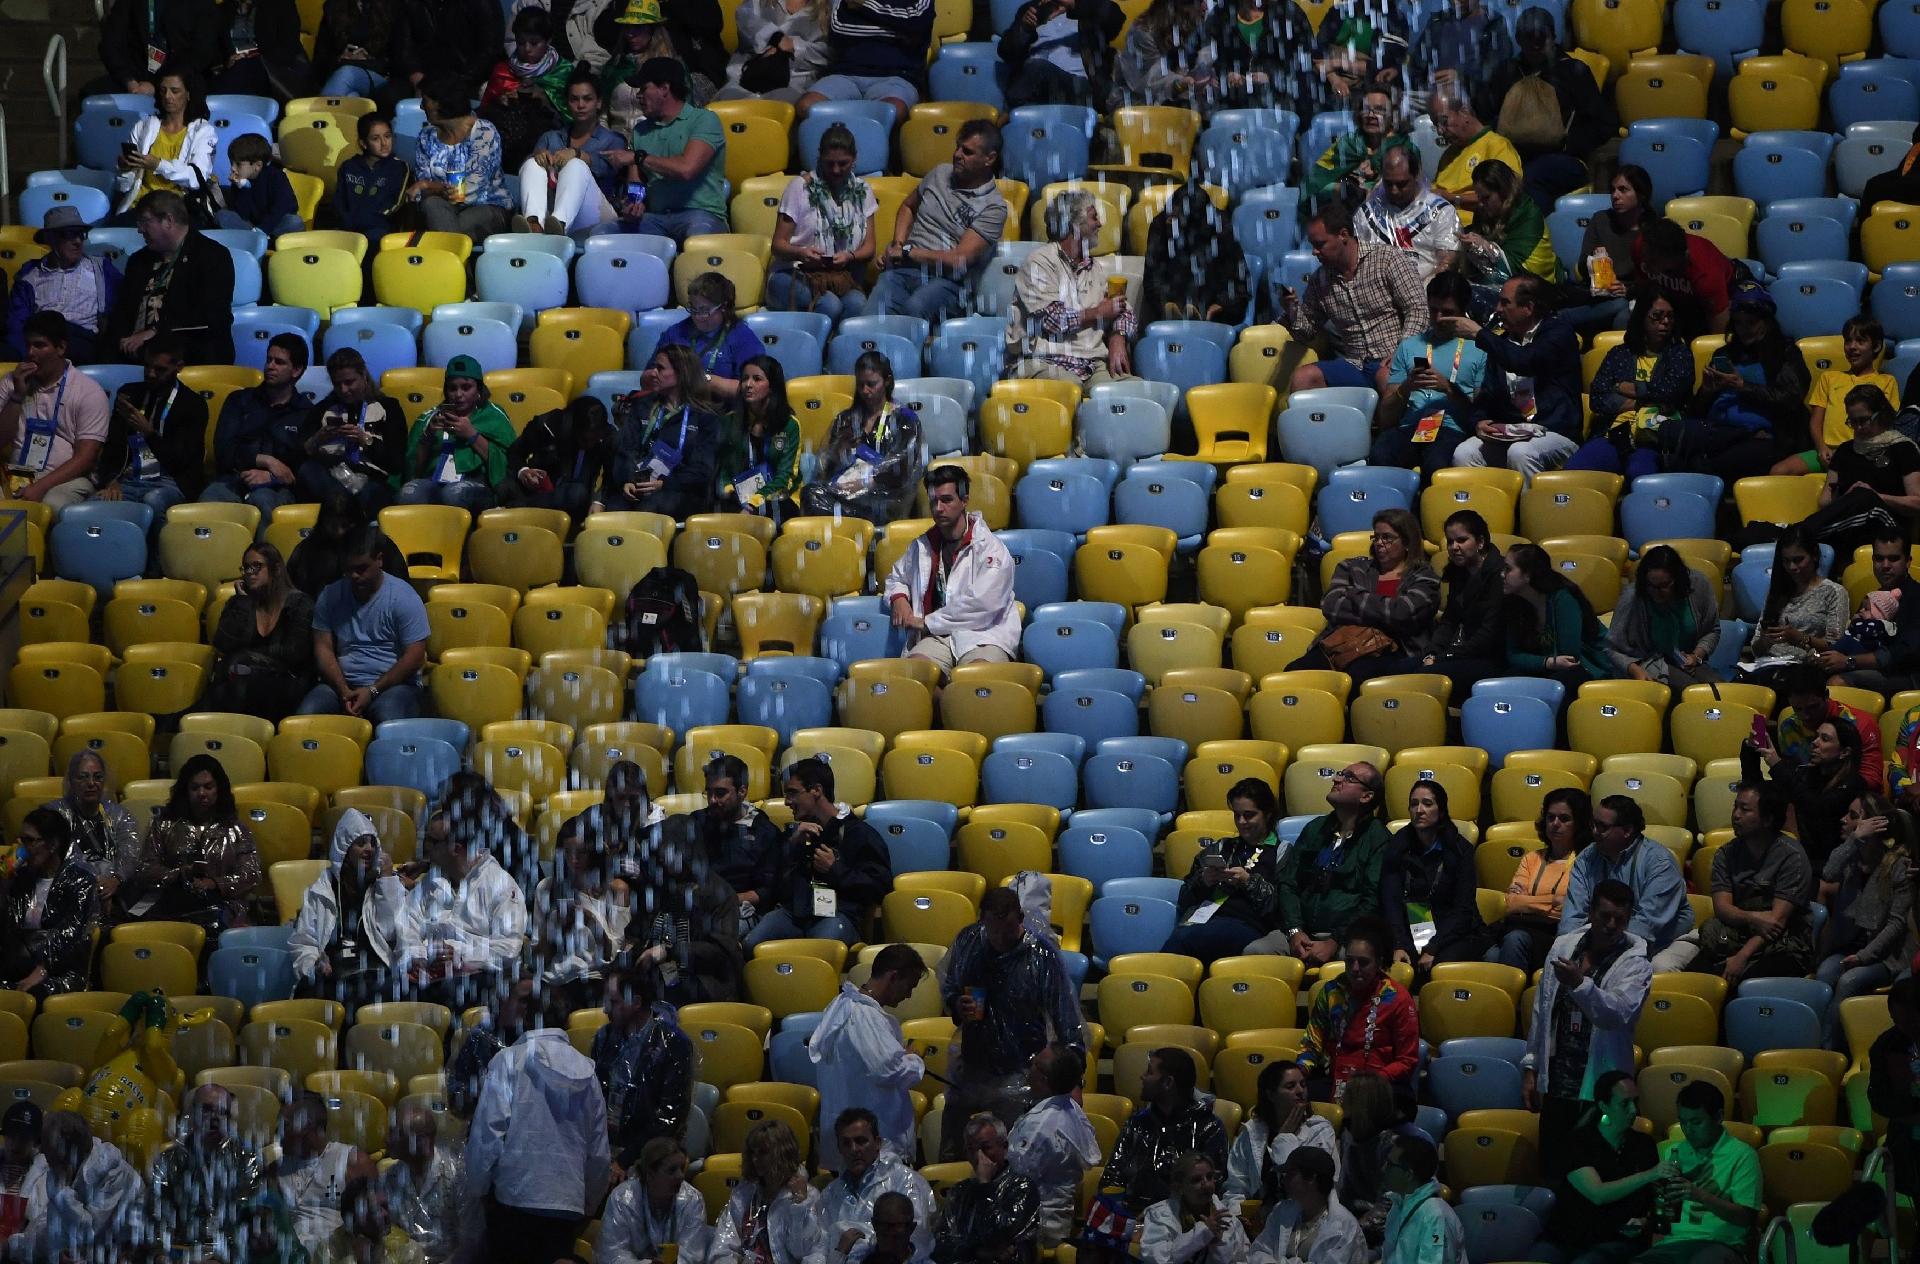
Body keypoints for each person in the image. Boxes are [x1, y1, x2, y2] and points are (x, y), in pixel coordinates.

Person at [465, 986, 611, 1264]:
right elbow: (599, 1153)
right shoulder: (588, 1073)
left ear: (528, 1018)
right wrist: (586, 1203)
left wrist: (478, 1189)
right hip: (566, 1204)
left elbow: (488, 1135)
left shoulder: (509, 1061)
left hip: (515, 1201)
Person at [938, 887, 1086, 1161]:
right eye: (993, 932)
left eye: (1007, 931)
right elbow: (950, 986)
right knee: (955, 1150)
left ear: (1020, 918)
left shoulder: (1040, 955)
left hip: (1021, 1072)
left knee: (1013, 1157)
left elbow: (1065, 1016)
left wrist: (1072, 1077)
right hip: (972, 1065)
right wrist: (957, 1003)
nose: (1000, 940)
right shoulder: (969, 941)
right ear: (982, 920)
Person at [1523, 879, 1651, 1181]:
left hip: (1599, 1091)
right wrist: (1530, 1066)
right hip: (1556, 1085)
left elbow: (1616, 1014)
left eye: (1620, 919)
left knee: (1596, 1178)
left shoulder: (1636, 964)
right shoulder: (1564, 945)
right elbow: (1543, 1011)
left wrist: (1579, 984)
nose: (1611, 924)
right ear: (1590, 911)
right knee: (1553, 1174)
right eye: (1605, 915)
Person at [882, 465, 1019, 680]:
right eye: (933, 501)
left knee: (975, 680)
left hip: (984, 635)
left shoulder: (992, 550)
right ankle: (948, 704)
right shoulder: (922, 545)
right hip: (938, 637)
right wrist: (899, 598)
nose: (938, 508)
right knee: (911, 677)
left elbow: (983, 605)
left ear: (964, 501)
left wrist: (926, 622)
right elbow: (896, 577)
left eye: (946, 500)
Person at [1282, 200, 1426, 397]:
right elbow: (1306, 333)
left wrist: (1402, 353)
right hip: (1355, 364)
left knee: (1386, 377)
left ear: (1343, 235)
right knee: (1304, 378)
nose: (1314, 252)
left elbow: (1417, 309)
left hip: (1395, 356)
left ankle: (1393, 428)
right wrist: (1291, 310)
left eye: (1320, 244)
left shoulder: (1387, 259)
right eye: (1312, 245)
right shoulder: (1320, 281)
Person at [1475, 6, 1616, 208]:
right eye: (1528, 38)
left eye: (1541, 37)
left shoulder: (1572, 72)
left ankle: (1537, 235)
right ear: (1518, 39)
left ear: (1553, 36)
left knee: (1528, 178)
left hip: (1562, 157)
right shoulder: (1507, 72)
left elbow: (1604, 124)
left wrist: (1568, 143)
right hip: (1513, 154)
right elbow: (1485, 112)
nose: (1535, 44)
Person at [868, 121, 1007, 323]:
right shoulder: (939, 173)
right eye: (958, 147)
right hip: (904, 269)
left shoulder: (993, 207)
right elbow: (908, 207)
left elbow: (959, 260)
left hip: (948, 282)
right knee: (871, 316)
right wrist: (897, 245)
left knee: (914, 309)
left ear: (990, 158)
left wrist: (909, 252)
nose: (958, 154)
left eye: (967, 151)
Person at [1447, 274, 1583, 480]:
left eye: (1505, 303)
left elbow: (1525, 362)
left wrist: (1479, 333)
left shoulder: (1558, 334)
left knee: (1521, 452)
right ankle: (1484, 510)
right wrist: (1480, 421)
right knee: (1464, 453)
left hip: (1554, 431)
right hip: (1512, 433)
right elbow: (1487, 394)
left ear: (1528, 307)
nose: (1498, 309)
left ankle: (1530, 510)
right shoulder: (1502, 344)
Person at [745, 758, 890, 948]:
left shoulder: (859, 833)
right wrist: (791, 846)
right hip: (793, 914)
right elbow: (770, 880)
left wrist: (835, 869)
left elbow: (880, 886)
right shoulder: (796, 835)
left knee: (820, 948)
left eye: (792, 793)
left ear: (817, 790)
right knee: (751, 945)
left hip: (837, 914)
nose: (787, 802)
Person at [1255, 762, 1391, 962]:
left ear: (1366, 796)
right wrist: (1295, 930)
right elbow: (1288, 883)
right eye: (1339, 774)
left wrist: (1335, 941)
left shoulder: (1378, 838)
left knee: (1358, 962)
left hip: (1350, 938)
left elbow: (1371, 901)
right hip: (1301, 932)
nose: (1336, 779)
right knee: (1255, 952)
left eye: (1348, 777)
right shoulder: (1315, 829)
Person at [1288, 509, 1440, 683]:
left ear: (1407, 542)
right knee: (1293, 672)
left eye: (1387, 538)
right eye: (1376, 537)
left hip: (1395, 649)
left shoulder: (1423, 577)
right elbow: (1331, 606)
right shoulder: (1352, 568)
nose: (1379, 543)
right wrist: (1385, 612)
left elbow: (1402, 612)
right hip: (1343, 644)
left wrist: (1355, 596)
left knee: (1359, 677)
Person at [812, 945, 929, 1171]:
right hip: (872, 1152)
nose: (909, 995)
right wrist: (915, 1058)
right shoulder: (864, 1016)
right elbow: (889, 1071)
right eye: (909, 986)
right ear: (893, 977)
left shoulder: (840, 1006)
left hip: (856, 1141)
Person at [1674, 289, 1810, 484]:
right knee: (1676, 448)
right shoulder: (1725, 354)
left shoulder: (1785, 353)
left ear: (1767, 322)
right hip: (1719, 431)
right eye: (1738, 323)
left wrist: (1742, 385)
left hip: (1765, 437)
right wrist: (1707, 392)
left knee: (1705, 466)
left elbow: (1791, 397)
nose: (1743, 329)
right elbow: (1698, 410)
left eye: (1751, 322)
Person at [298, 525, 430, 723]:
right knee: (305, 717)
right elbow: (323, 647)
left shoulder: (404, 597)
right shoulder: (330, 595)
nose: (354, 576)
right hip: (342, 685)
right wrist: (343, 690)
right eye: (349, 570)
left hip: (393, 686)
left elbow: (415, 655)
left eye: (361, 569)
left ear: (379, 559)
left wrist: (373, 690)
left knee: (388, 718)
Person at [400, 800, 529, 1002]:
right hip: (430, 972)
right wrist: (417, 955)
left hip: (478, 979)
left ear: (455, 848)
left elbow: (508, 948)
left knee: (451, 993)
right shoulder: (431, 881)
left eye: (432, 842)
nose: (424, 847)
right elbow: (407, 924)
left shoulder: (501, 885)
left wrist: (461, 955)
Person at [1008, 191, 1135, 388]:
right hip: (1044, 360)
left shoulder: (1095, 269)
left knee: (1135, 392)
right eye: (1094, 217)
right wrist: (1099, 312)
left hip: (1091, 365)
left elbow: (1123, 310)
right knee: (1070, 387)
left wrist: (1118, 337)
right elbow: (1052, 320)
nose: (1100, 224)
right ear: (1074, 224)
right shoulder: (1039, 263)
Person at [1566, 294, 1698, 483]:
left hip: (1655, 437)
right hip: (1614, 433)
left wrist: (1623, 388)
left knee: (1641, 475)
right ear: (1642, 318)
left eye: (1670, 316)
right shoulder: (1619, 354)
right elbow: (1598, 398)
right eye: (1657, 316)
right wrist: (1647, 400)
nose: (1665, 321)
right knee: (1573, 473)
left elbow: (1673, 392)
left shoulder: (1679, 354)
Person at [287, 808, 413, 1005]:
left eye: (372, 843)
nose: (369, 849)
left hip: (374, 972)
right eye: (361, 843)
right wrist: (313, 964)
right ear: (344, 849)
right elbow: (303, 942)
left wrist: (388, 881)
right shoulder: (322, 889)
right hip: (333, 975)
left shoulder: (383, 884)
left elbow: (391, 932)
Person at [1370, 273, 1491, 477]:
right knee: (1380, 453)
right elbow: (1386, 419)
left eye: (1447, 312)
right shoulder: (1410, 346)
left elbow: (1481, 414)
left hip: (1453, 429)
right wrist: (1406, 387)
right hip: (1412, 427)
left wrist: (1448, 389)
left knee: (1436, 464)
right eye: (1433, 310)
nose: (1438, 319)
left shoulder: (1480, 349)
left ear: (1463, 311)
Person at [1816, 792, 1911, 1049]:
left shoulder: (1897, 866)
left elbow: (1896, 924)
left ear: (1875, 824)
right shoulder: (1852, 858)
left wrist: (1865, 956)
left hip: (1885, 955)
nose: (1843, 820)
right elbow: (1828, 872)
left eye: (1854, 817)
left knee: (1850, 980)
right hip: (1849, 947)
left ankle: (1830, 1049)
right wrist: (1855, 841)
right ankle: (1817, 1045)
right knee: (1825, 973)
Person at [122, 754, 261, 929]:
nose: (202, 793)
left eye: (208, 787)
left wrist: (215, 883)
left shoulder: (236, 829)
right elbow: (145, 868)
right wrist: (179, 874)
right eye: (195, 788)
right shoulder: (163, 824)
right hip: (170, 900)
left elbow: (250, 875)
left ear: (219, 789)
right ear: (185, 791)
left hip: (222, 905)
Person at [1295, 917, 1418, 1106]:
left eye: (1363, 962)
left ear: (1379, 962)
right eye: (1349, 961)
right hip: (1335, 1080)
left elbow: (1407, 1060)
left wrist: (1372, 1083)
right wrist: (1299, 1073)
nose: (1355, 969)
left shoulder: (1398, 999)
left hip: (1379, 1083)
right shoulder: (1331, 992)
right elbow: (1312, 1044)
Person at [104, 190, 236, 365]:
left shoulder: (212, 257)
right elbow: (123, 313)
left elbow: (211, 316)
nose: (139, 229)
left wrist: (155, 332)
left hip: (188, 351)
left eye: (145, 221)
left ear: (168, 221)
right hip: (133, 353)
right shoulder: (139, 261)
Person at [1634, 1082, 1759, 1264]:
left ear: (1718, 1117)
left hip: (1721, 1244)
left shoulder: (1743, 1155)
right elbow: (1663, 1211)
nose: (1688, 1130)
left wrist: (1699, 1195)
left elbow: (1746, 1218)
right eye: (1683, 1122)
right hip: (1673, 1244)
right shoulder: (1674, 1152)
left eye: (1696, 1122)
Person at [1551, 1072, 1669, 1264]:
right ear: (1603, 1106)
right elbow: (1597, 1194)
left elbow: (1652, 1199)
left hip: (1615, 1239)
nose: (1633, 1110)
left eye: (1635, 1101)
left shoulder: (1644, 1145)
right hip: (1568, 1237)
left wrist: (1645, 1222)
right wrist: (1649, 1174)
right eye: (1625, 1103)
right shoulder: (1578, 1141)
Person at [766, 124, 878, 324]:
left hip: (840, 274)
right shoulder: (800, 188)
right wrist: (802, 252)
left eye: (843, 163)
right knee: (830, 305)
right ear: (819, 157)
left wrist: (850, 256)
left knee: (858, 304)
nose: (836, 170)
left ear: (855, 159)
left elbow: (869, 248)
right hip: (797, 271)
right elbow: (778, 245)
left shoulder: (863, 191)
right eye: (829, 163)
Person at [0, 313, 111, 511]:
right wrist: (17, 396)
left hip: (66, 480)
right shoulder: (11, 382)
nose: (30, 352)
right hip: (17, 474)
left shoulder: (88, 391)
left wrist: (40, 487)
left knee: (53, 503)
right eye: (27, 345)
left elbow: (86, 457)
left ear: (61, 348)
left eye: (39, 345)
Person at [1164, 778, 1282, 963]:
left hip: (1247, 924)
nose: (1241, 822)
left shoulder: (1281, 852)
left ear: (1267, 814)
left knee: (1184, 941)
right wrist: (1203, 880)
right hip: (1202, 919)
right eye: (1237, 815)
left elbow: (1282, 906)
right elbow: (1185, 897)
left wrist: (1248, 881)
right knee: (1184, 936)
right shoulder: (1221, 847)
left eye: (1249, 815)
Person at [597, 345, 725, 517]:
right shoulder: (642, 406)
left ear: (681, 373)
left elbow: (702, 469)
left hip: (681, 493)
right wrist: (627, 480)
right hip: (639, 486)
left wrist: (664, 483)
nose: (653, 373)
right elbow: (626, 450)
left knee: (650, 507)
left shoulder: (705, 417)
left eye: (660, 368)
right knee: (614, 508)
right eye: (653, 368)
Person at [589, 960, 694, 1169]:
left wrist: (625, 1160)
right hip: (604, 1145)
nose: (605, 1010)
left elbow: (669, 1117)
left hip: (650, 1153)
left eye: (613, 1002)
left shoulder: (673, 1042)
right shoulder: (604, 1037)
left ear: (636, 1002)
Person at [1102, 1050, 1229, 1220]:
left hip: (1185, 1224)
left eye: (1149, 1072)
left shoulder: (1209, 1127)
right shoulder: (1137, 1123)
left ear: (1168, 1082)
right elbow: (1113, 1175)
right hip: (1133, 1218)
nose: (1142, 1077)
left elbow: (1209, 1188)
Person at [1560, 795, 1690, 958]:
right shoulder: (1587, 857)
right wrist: (1567, 951)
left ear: (1627, 830)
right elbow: (1573, 916)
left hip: (1662, 944)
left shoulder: (1660, 863)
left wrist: (1599, 957)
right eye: (1593, 824)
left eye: (1602, 827)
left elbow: (1645, 926)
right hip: (1604, 941)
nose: (1594, 832)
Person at [94, 332, 206, 521]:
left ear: (178, 367)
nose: (151, 374)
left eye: (160, 369)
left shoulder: (193, 404)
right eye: (147, 367)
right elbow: (112, 447)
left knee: (153, 501)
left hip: (169, 483)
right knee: (93, 507)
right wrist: (111, 481)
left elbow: (180, 462)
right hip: (130, 480)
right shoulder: (129, 394)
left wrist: (148, 433)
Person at [1381, 780, 1488, 977]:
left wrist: (1433, 947)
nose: (1419, 810)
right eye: (1414, 804)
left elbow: (1463, 909)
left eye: (1427, 804)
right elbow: (1391, 902)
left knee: (1439, 965)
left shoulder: (1459, 849)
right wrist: (1399, 944)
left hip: (1455, 933)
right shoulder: (1397, 847)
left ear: (1441, 811)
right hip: (1412, 928)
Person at [802, 349, 924, 521]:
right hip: (843, 492)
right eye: (860, 385)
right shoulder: (846, 419)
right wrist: (839, 451)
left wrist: (867, 483)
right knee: (810, 493)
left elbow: (902, 469)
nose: (865, 391)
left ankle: (854, 522)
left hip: (881, 497)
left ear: (887, 381)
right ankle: (851, 522)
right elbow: (827, 468)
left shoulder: (905, 420)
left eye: (871, 384)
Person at [615, 57, 729, 242]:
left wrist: (640, 157)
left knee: (698, 234)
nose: (639, 96)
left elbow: (686, 169)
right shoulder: (640, 131)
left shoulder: (704, 120)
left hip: (701, 214)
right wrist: (634, 203)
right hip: (657, 218)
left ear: (664, 89)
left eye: (644, 88)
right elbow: (636, 182)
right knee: (604, 233)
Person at [203, 333, 314, 522]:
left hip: (278, 490)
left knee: (262, 500)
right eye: (269, 359)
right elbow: (223, 450)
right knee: (208, 501)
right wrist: (265, 460)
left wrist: (272, 478)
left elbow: (299, 468)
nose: (270, 366)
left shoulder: (306, 413)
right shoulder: (239, 401)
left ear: (296, 370)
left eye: (279, 362)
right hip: (232, 480)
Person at [145, 1085, 265, 1257]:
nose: (215, 1117)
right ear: (191, 1115)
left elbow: (247, 1220)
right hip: (178, 1252)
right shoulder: (168, 1160)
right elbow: (155, 1216)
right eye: (207, 1110)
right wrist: (160, 1255)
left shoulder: (248, 1160)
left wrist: (221, 1258)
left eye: (222, 1112)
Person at [1775, 315, 1903, 476]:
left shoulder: (1886, 381)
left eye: (1860, 341)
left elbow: (1885, 423)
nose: (1852, 347)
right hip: (1827, 452)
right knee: (1779, 471)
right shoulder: (1829, 378)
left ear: (1876, 347)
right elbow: (1816, 421)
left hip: (1863, 452)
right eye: (1848, 341)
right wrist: (1821, 447)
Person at [202, 542, 317, 721]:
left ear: (276, 569)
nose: (249, 573)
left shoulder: (300, 605)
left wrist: (249, 657)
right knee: (235, 672)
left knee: (238, 667)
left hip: (287, 683)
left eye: (256, 566)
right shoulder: (240, 603)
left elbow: (295, 652)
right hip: (244, 682)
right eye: (246, 568)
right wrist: (243, 603)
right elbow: (222, 643)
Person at [1803, 385, 1920, 557]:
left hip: (1889, 531)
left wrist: (1876, 496)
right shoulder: (1845, 451)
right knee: (1859, 497)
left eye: (1863, 420)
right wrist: (1846, 498)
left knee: (1864, 496)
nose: (1857, 428)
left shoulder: (1902, 449)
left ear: (1880, 414)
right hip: (1849, 527)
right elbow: (1825, 502)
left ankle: (1797, 535)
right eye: (1852, 422)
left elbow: (1917, 503)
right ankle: (1798, 536)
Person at [1744, 715, 1869, 874]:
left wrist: (1777, 765)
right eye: (1816, 736)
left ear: (1844, 752)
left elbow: (1816, 807)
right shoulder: (1805, 774)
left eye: (1824, 739)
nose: (1815, 742)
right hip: (1800, 860)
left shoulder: (1855, 785)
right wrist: (1750, 751)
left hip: (1833, 867)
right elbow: (1759, 792)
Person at [15, 1109, 142, 1264]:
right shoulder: (62, 1172)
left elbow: (88, 1234)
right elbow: (50, 1229)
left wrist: (62, 1193)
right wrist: (14, 1246)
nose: (41, 1150)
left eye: (46, 1143)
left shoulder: (114, 1173)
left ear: (63, 1149)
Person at [1006, 1045, 1101, 1246]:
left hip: (1037, 1229)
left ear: (1044, 1079)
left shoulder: (1039, 1126)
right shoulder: (1070, 1107)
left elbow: (1017, 1180)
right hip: (1055, 1220)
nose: (1029, 1066)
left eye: (1035, 1064)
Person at [514, 66, 625, 235]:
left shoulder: (612, 139)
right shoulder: (551, 137)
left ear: (599, 102)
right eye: (574, 99)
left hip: (597, 213)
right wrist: (539, 156)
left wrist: (577, 154)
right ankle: (533, 224)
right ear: (567, 102)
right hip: (551, 211)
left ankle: (560, 224)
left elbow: (606, 169)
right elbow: (528, 174)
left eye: (587, 99)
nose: (580, 105)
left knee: (575, 165)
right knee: (532, 163)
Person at [396, 354, 516, 510]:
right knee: (409, 494)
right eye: (452, 388)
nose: (458, 395)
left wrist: (472, 435)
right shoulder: (429, 418)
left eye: (466, 387)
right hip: (434, 480)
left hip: (478, 482)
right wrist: (427, 438)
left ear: (479, 388)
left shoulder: (494, 415)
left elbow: (509, 462)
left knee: (453, 494)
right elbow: (414, 471)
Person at [0, 810, 99, 998]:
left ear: (53, 844)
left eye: (30, 841)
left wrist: (41, 971)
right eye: (21, 840)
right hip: (17, 964)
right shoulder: (21, 880)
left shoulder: (80, 882)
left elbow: (70, 933)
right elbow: (7, 931)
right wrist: (3, 888)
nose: (23, 848)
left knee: (33, 993)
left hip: (59, 970)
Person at [6, 207, 121, 366]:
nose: (78, 241)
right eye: (69, 235)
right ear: (50, 238)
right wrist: (25, 355)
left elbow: (125, 305)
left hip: (82, 340)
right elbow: (16, 324)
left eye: (81, 235)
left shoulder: (101, 269)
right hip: (39, 340)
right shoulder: (30, 277)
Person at [817, 1109, 938, 1260]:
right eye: (846, 1143)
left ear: (878, 1143)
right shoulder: (830, 1194)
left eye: (861, 1141)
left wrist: (858, 1246)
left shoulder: (906, 1181)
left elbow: (916, 1239)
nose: (854, 1149)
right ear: (839, 1148)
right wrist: (839, 1254)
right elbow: (818, 1249)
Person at [298, 347, 409, 512]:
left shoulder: (389, 407)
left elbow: (396, 462)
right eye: (337, 384)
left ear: (364, 376)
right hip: (331, 477)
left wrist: (366, 440)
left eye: (349, 382)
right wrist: (317, 440)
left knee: (367, 494)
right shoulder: (322, 409)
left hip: (370, 481)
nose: (344, 390)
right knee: (308, 470)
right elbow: (298, 455)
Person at [1489, 788, 1588, 972]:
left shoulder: (1585, 863)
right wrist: (1554, 900)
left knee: (1513, 941)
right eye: (1550, 817)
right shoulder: (1531, 858)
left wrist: (1528, 902)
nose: (1555, 824)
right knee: (1490, 954)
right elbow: (1511, 904)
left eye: (1564, 819)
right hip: (1522, 928)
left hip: (1557, 935)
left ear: (1579, 824)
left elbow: (1571, 911)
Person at [408, 75, 513, 245]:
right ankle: (459, 269)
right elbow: (421, 190)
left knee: (446, 230)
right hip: (442, 208)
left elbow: (471, 191)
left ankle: (447, 266)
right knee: (432, 206)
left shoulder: (483, 133)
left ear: (441, 103)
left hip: (487, 206)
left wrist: (430, 186)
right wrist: (432, 188)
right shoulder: (426, 137)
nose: (421, 106)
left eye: (425, 101)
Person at [795, 0, 933, 126]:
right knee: (807, 106)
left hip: (898, 75)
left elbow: (917, 22)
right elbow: (840, 28)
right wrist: (894, 27)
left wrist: (866, 5)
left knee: (891, 111)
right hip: (845, 73)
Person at [265, 1091, 368, 1255]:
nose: (277, 1131)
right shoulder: (274, 1169)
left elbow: (372, 1225)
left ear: (307, 1125)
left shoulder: (352, 1162)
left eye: (285, 1124)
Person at [1603, 544, 1720, 687]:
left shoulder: (1698, 585)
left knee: (1719, 689)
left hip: (1686, 659)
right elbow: (1612, 648)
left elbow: (1712, 630)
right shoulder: (1632, 598)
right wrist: (1634, 670)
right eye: (1651, 586)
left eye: (1664, 586)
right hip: (1645, 662)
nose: (1656, 592)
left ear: (1677, 580)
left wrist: (1697, 655)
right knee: (1691, 691)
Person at [1416, 508, 1505, 693]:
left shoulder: (1501, 575)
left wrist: (1443, 657)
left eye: (1462, 540)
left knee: (1423, 678)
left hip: (1492, 658)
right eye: (1450, 541)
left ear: (1480, 542)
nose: (1454, 547)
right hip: (1463, 654)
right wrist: (1432, 652)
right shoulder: (1459, 572)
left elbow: (1488, 635)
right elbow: (1449, 620)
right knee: (1396, 670)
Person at [1225, 1062, 1340, 1206]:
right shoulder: (1252, 1132)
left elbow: (1308, 1188)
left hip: (1307, 1219)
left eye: (1303, 1084)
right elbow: (1236, 1188)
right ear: (1271, 1095)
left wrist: (1284, 1139)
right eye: (1291, 1086)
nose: (1300, 1091)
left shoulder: (1319, 1130)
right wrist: (1240, 1215)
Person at [709, 1119, 822, 1264]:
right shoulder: (743, 1193)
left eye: (763, 1152)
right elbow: (722, 1246)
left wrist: (800, 1205)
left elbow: (805, 1251)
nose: (755, 1159)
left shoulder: (810, 1196)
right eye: (752, 1153)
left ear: (783, 1153)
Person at [1745, 526, 1850, 680]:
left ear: (1814, 555)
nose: (1792, 567)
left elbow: (1834, 646)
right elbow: (1756, 647)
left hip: (1806, 668)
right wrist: (1765, 641)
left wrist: (1799, 638)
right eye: (1786, 561)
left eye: (1798, 560)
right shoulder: (1777, 591)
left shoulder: (1833, 592)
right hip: (1768, 665)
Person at [1502, 542, 1612, 689]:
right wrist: (1547, 662)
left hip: (1585, 668)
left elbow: (1570, 658)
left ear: (1528, 575)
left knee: (1558, 684)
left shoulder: (1563, 599)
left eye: (1508, 569)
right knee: (1506, 680)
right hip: (1549, 668)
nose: (1502, 574)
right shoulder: (1515, 602)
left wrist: (1539, 662)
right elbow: (1513, 655)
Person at [111, 69, 218, 219]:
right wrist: (126, 169)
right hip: (141, 205)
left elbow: (196, 178)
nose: (168, 97)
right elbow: (124, 186)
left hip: (179, 208)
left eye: (175, 91)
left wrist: (158, 165)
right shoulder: (143, 127)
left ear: (188, 94)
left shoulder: (203, 131)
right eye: (163, 91)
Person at [1827, 526, 1920, 696]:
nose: (1885, 565)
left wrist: (1848, 661)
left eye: (1893, 559)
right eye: (1879, 558)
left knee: (1838, 683)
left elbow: (1905, 653)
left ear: (1908, 561)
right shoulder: (1872, 599)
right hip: (1872, 668)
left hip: (1908, 676)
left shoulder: (1916, 597)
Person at [932, 1116, 1038, 1264]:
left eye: (985, 1148)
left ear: (1004, 1146)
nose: (978, 1156)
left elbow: (998, 1235)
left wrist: (984, 1186)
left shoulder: (1022, 1187)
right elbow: (941, 1242)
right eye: (971, 1149)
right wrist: (977, 1252)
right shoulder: (960, 1191)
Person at [1138, 184, 1250, 324]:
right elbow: (1151, 278)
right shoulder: (1161, 225)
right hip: (1170, 302)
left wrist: (1221, 306)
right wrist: (1165, 304)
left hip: (1213, 305)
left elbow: (1240, 284)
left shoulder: (1220, 228)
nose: (1169, 221)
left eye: (1176, 218)